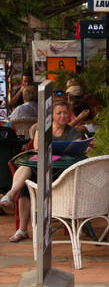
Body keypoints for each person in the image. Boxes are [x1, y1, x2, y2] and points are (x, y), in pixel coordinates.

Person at [0, 101, 86, 241]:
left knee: (27, 179)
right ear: (52, 115)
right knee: (26, 181)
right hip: (41, 170)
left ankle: (10, 196)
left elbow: (78, 151)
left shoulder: (74, 133)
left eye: (65, 113)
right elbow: (37, 149)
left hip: (61, 175)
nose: (63, 116)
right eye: (59, 113)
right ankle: (21, 228)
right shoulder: (42, 129)